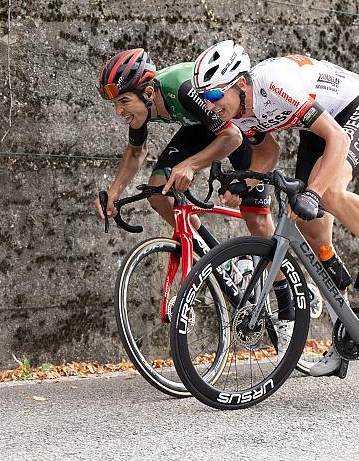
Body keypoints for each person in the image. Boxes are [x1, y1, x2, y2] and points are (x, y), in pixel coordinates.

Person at [192, 41, 359, 376]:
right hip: (317, 127)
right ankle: (344, 334)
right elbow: (267, 155)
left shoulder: (274, 84)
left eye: (216, 97)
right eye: (206, 100)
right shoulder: (242, 112)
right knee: (312, 227)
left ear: (240, 84)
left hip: (349, 115)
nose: (211, 106)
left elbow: (338, 138)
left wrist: (314, 192)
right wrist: (242, 184)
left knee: (328, 194)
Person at [93, 48, 295, 356]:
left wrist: (192, 166)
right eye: (115, 104)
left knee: (255, 217)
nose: (119, 112)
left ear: (148, 92)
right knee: (158, 194)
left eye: (123, 102)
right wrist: (115, 192)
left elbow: (231, 138)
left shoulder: (183, 89)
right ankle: (216, 256)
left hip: (235, 129)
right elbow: (136, 152)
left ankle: (286, 299)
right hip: (200, 129)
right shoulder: (141, 108)